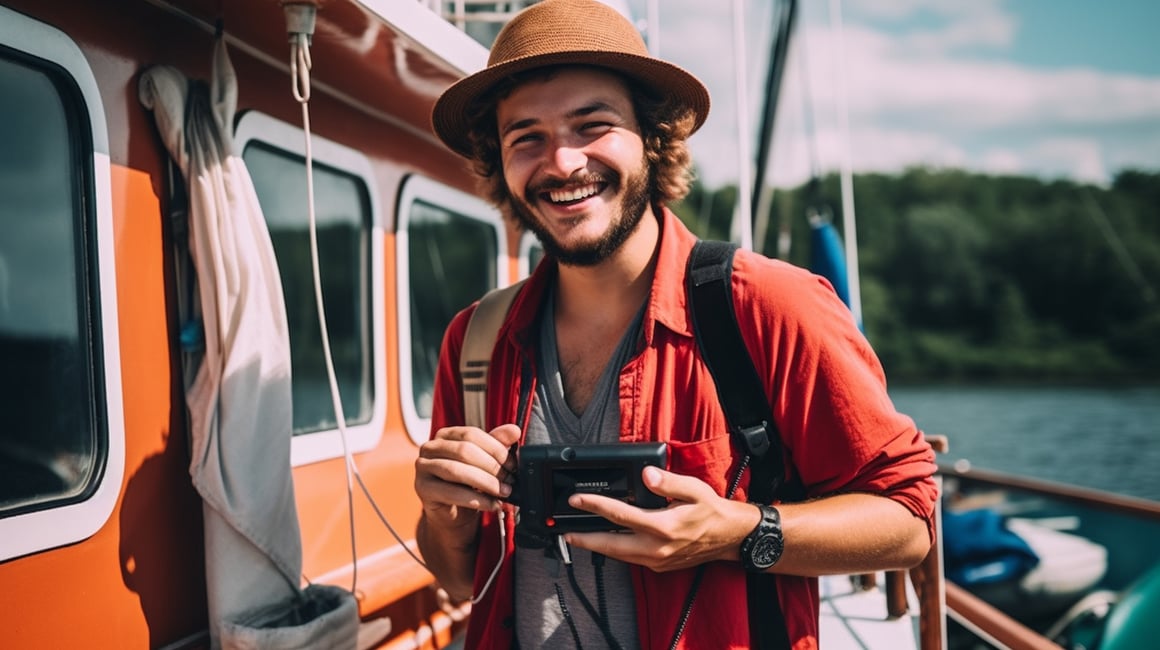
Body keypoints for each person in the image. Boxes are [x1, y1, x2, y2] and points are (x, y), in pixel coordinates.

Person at [414, 1, 939, 648]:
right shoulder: (477, 341)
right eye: (526, 137)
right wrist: (444, 516)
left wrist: (738, 532)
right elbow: (462, 583)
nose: (562, 162)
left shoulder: (768, 306)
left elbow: (909, 521)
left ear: (652, 138)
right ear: (502, 163)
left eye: (592, 125)